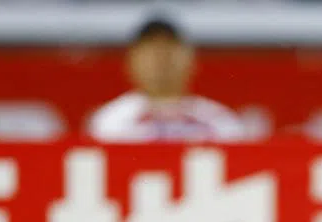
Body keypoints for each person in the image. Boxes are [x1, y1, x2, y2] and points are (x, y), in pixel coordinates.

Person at [88, 17, 244, 143]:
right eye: (151, 51)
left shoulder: (220, 121)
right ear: (131, 61)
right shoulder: (110, 122)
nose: (161, 59)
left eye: (169, 49)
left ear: (191, 59)